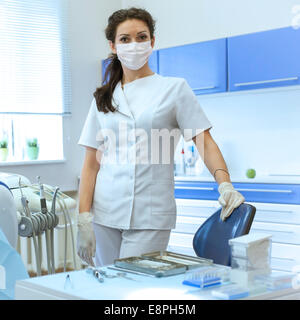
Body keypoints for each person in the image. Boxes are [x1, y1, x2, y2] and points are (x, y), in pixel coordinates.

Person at [76, 7, 245, 267]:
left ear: (152, 41)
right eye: (125, 39)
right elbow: (91, 163)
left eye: (141, 37)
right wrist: (83, 217)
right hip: (105, 213)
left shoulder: (174, 89)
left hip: (150, 215)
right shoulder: (103, 98)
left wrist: (225, 183)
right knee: (105, 290)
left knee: (135, 288)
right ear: (113, 46)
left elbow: (204, 141)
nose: (134, 45)